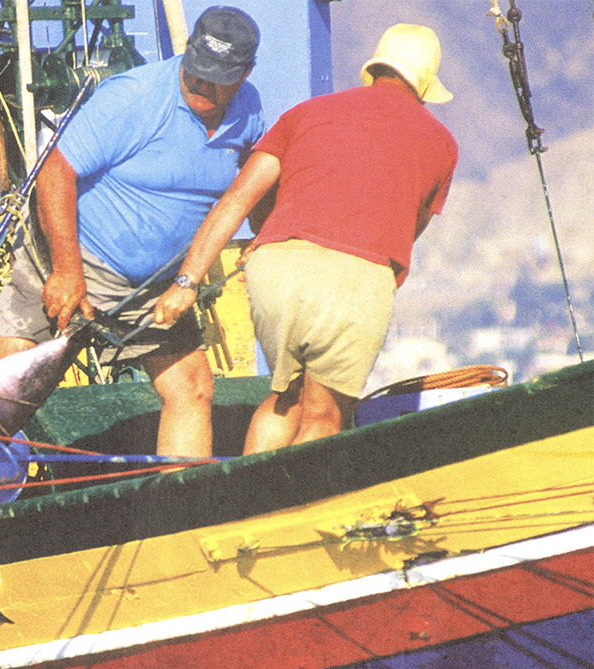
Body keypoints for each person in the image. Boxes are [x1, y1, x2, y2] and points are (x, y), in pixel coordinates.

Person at [154, 23, 459, 454]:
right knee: (323, 416)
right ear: (425, 84)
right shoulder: (442, 144)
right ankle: (292, 514)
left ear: (375, 69)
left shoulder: (307, 112)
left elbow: (237, 199)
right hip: (355, 277)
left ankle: (243, 508)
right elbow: (411, 229)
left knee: (285, 400)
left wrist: (186, 282)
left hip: (275, 267)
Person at [0, 6, 265, 458]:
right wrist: (67, 270)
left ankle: (180, 516)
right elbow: (55, 173)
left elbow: (254, 180)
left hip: (155, 286)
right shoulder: (135, 96)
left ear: (245, 73)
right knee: (3, 381)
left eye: (219, 80)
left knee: (191, 388)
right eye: (196, 74)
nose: (202, 88)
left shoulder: (249, 111)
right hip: (75, 257)